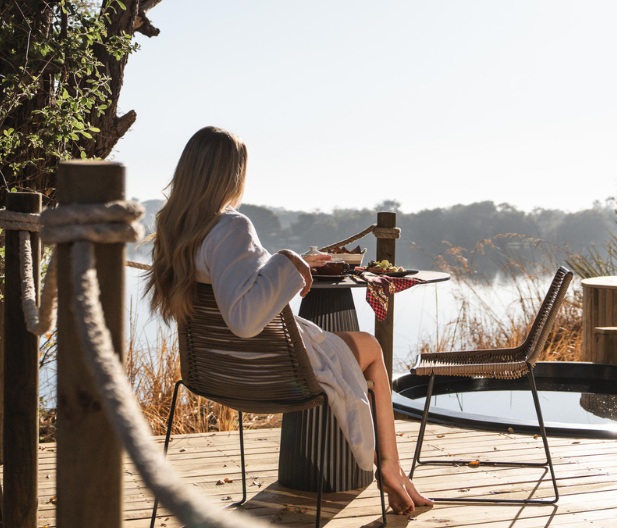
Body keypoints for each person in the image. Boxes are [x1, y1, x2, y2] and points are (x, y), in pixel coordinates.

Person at [145, 126, 434, 515]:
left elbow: (236, 286)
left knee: (350, 346)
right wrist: (288, 260)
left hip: (214, 372)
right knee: (371, 347)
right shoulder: (230, 226)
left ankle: (388, 467)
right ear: (231, 174)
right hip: (268, 373)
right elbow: (245, 319)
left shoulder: (175, 230)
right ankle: (391, 469)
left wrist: (284, 262)